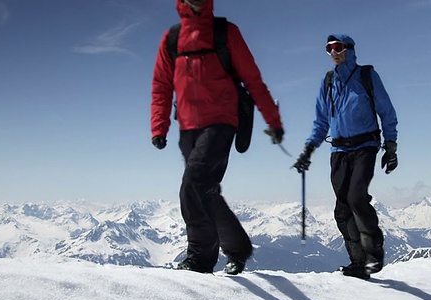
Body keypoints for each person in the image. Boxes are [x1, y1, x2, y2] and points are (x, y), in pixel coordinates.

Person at [150, 0, 284, 275]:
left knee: (193, 184)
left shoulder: (226, 32)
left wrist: (273, 120)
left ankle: (200, 260)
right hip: (187, 127)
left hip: (221, 123)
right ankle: (238, 248)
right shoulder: (172, 38)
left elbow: (253, 79)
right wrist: (158, 127)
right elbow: (161, 85)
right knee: (206, 190)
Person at [293, 34, 398, 279]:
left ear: (349, 49)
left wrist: (390, 145)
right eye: (328, 49)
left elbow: (386, 111)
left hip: (365, 146)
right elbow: (321, 121)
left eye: (338, 47)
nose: (333, 53)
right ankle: (358, 263)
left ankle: (374, 253)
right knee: (342, 209)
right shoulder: (328, 81)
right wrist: (309, 149)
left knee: (356, 198)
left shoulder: (366, 76)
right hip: (339, 151)